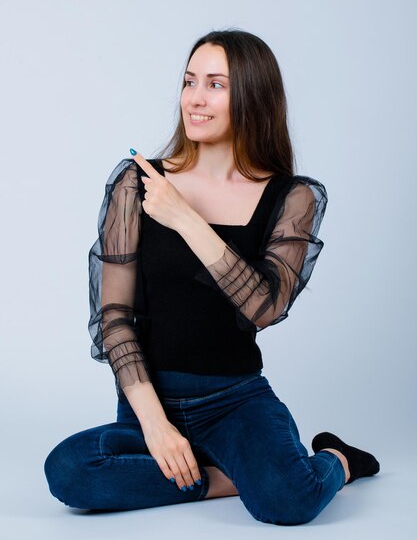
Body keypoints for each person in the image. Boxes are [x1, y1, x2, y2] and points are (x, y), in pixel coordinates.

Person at [43, 29, 380, 525]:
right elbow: (113, 317)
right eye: (189, 81)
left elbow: (265, 308)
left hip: (235, 401)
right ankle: (229, 479)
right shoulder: (137, 182)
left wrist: (185, 218)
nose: (195, 99)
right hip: (148, 397)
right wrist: (155, 426)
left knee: (290, 502)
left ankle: (337, 460)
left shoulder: (292, 197)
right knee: (70, 472)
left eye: (216, 85)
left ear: (252, 96)